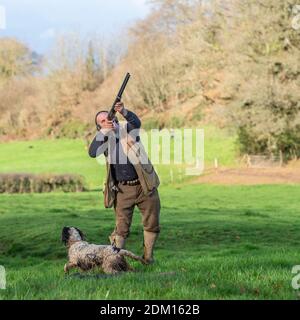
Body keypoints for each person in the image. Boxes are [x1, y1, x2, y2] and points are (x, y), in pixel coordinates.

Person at [88, 102, 160, 264]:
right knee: (121, 228)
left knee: (152, 222)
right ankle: (116, 261)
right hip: (122, 189)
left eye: (109, 117)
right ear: (99, 127)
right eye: (102, 121)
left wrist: (124, 111)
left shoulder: (127, 129)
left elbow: (136, 123)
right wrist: (105, 131)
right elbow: (93, 152)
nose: (108, 121)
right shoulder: (103, 138)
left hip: (144, 185)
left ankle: (148, 258)